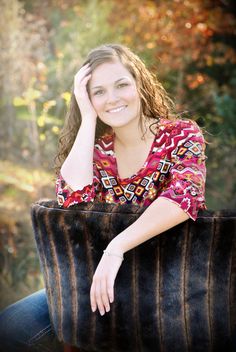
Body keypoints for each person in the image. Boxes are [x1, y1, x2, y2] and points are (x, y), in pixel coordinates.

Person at [0, 43, 206, 351]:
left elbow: (184, 197)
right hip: (91, 282)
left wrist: (116, 247)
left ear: (139, 84)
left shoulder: (182, 135)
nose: (112, 98)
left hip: (163, 285)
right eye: (98, 92)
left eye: (121, 84)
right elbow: (71, 204)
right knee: (9, 328)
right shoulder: (95, 151)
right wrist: (87, 118)